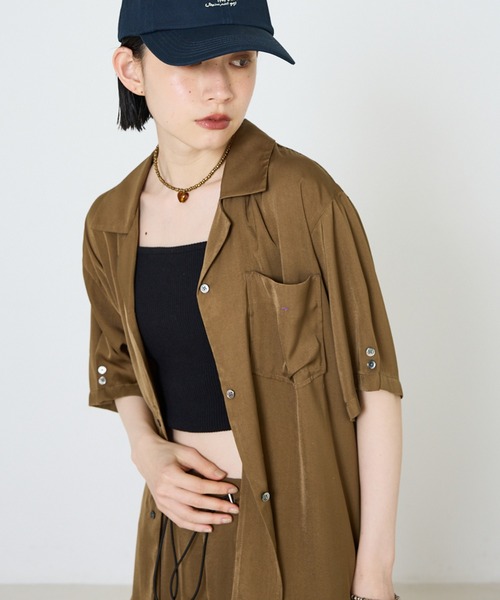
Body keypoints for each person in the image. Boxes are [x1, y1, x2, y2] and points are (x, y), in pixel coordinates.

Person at [82, 1, 403, 598]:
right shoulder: (109, 223)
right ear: (131, 70)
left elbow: (374, 383)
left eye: (240, 60)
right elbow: (119, 364)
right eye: (191, 62)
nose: (222, 90)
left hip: (304, 537)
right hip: (176, 540)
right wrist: (148, 453)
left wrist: (374, 576)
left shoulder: (305, 199)